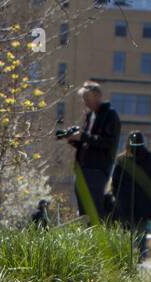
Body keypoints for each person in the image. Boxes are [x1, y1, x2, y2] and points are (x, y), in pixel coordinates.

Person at [63, 81, 120, 221]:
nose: (85, 102)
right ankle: (86, 236)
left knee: (93, 207)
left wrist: (83, 137)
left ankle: (96, 235)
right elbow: (90, 143)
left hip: (97, 169)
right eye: (84, 99)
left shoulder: (110, 115)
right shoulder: (90, 116)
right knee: (83, 209)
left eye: (88, 99)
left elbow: (107, 143)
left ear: (98, 96)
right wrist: (75, 140)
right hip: (83, 168)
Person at [109, 131, 151, 256]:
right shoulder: (150, 157)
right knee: (141, 229)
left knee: (126, 229)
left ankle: (126, 255)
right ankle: (140, 254)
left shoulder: (122, 159)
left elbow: (115, 180)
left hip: (125, 200)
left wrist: (116, 195)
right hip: (144, 200)